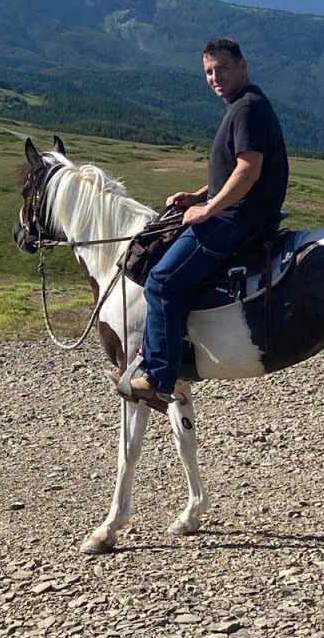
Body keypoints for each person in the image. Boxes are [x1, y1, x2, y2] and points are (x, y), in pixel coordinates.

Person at [115, 37, 289, 404]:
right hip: (237, 211)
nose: (215, 77)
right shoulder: (244, 104)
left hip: (236, 219)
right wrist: (198, 195)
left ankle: (159, 375)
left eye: (222, 68)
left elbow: (248, 170)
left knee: (162, 282)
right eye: (209, 71)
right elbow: (230, 171)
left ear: (243, 66)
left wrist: (208, 210)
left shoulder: (247, 109)